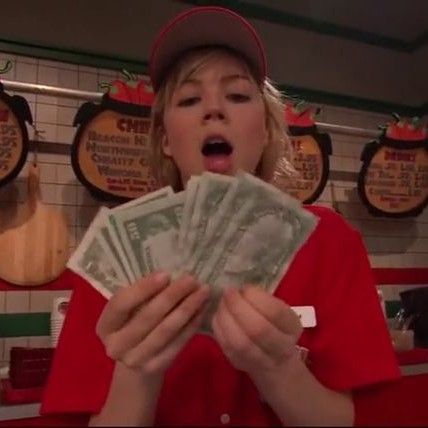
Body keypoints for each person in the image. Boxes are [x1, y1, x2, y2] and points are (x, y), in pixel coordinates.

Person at [41, 6, 400, 426]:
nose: (213, 109)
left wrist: (279, 370)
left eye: (238, 95)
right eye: (190, 99)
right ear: (166, 139)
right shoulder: (113, 264)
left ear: (265, 131)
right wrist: (138, 373)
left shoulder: (331, 242)